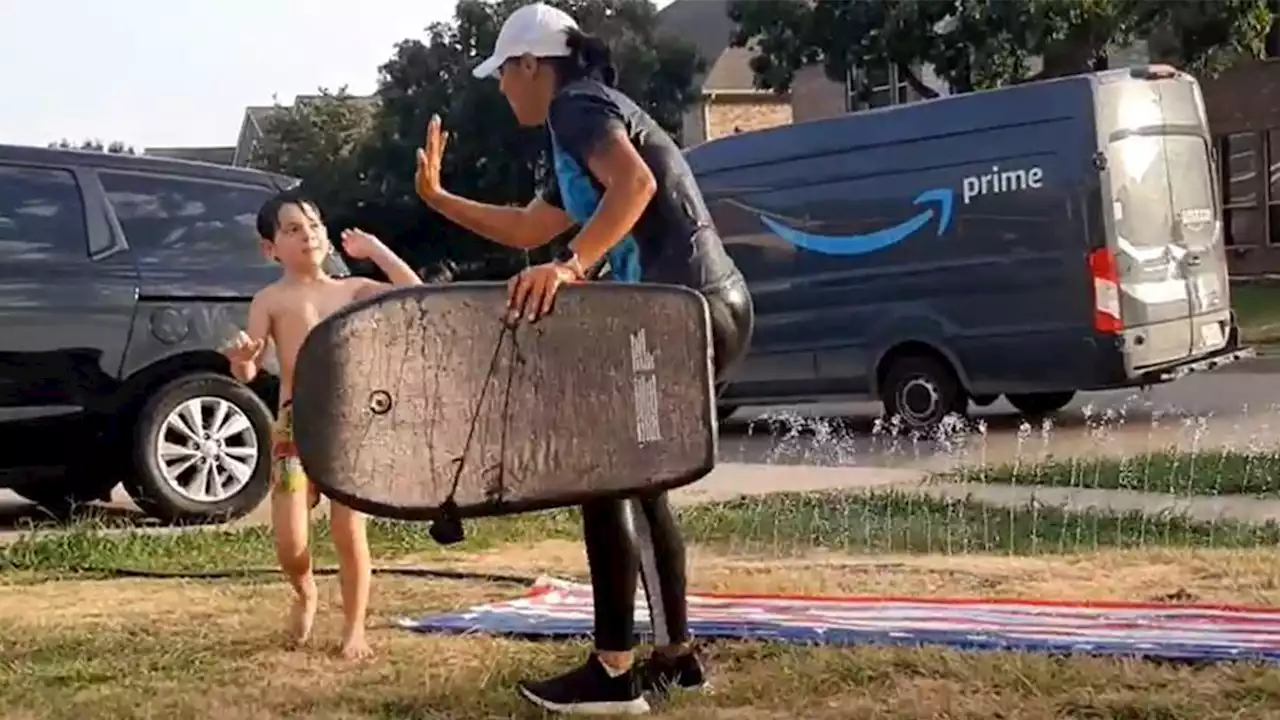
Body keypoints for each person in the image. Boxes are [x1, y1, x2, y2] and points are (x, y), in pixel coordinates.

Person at [415, 3, 753, 714]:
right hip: (708, 306)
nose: (502, 90)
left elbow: (636, 187)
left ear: (532, 66)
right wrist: (440, 199)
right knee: (639, 479)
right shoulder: (581, 118)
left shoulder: (577, 106)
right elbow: (531, 226)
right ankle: (675, 657)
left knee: (603, 473)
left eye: (504, 75)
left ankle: (611, 672)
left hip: (675, 310)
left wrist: (571, 269)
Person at [221, 192, 422, 660]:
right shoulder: (270, 298)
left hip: (351, 425)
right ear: (270, 248)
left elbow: (414, 293)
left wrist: (376, 252)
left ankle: (354, 628)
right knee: (291, 542)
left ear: (326, 236)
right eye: (292, 229)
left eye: (312, 225)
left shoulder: (352, 290)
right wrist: (243, 362)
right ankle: (305, 590)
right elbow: (247, 371)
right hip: (295, 425)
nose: (306, 234)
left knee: (348, 529)